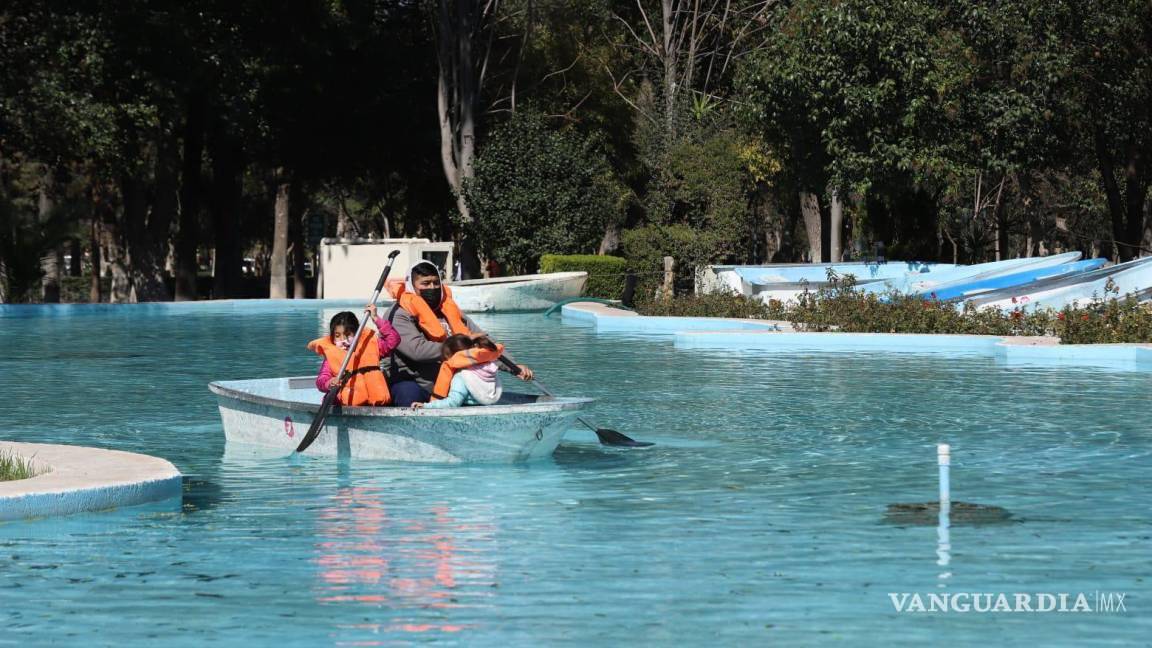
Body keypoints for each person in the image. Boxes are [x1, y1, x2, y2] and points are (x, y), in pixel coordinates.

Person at [384, 261, 533, 407]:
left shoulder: (449, 310)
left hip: (455, 382)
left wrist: (514, 366)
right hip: (415, 382)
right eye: (425, 283)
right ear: (412, 286)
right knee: (407, 393)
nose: (433, 287)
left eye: (436, 283)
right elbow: (417, 350)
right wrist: (460, 344)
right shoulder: (398, 314)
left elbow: (482, 340)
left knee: (478, 389)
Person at [309, 305, 400, 406]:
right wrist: (329, 383)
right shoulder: (331, 356)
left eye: (348, 334)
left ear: (357, 334)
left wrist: (376, 318)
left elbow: (394, 340)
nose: (343, 340)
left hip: (374, 406)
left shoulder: (370, 346)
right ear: (332, 337)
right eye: (337, 336)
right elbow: (321, 380)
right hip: (344, 407)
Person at [413, 334, 504, 409]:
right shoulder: (490, 370)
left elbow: (453, 403)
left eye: (445, 358)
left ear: (453, 357)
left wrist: (426, 406)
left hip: (467, 414)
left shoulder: (461, 377)